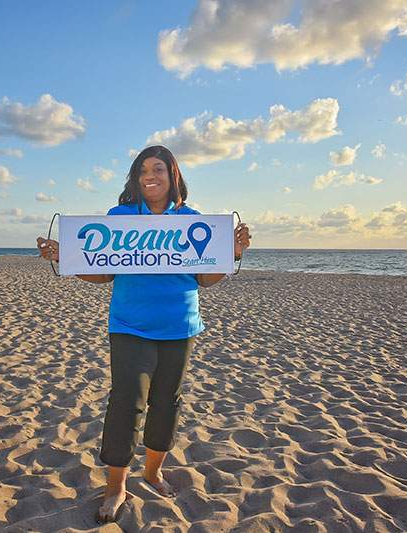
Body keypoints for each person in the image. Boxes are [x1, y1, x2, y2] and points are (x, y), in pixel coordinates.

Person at [36, 145, 251, 524]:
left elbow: (205, 279)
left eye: (158, 169)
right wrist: (64, 258)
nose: (149, 176)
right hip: (129, 324)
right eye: (142, 170)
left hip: (179, 325)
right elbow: (102, 273)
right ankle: (116, 485)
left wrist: (230, 253)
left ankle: (152, 472)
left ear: (173, 175)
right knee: (126, 402)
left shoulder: (191, 219)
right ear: (136, 178)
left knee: (167, 402)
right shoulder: (121, 217)